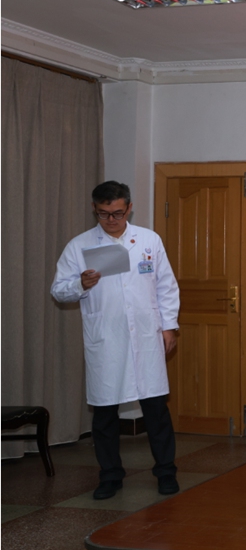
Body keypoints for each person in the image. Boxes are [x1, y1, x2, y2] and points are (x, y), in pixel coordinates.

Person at [51, 181, 181, 500]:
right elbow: (59, 290)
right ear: (95, 209)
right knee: (106, 412)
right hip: (106, 340)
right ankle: (110, 475)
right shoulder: (79, 246)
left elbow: (166, 285)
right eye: (104, 214)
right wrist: (80, 283)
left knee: (155, 410)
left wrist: (169, 327)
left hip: (147, 337)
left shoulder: (149, 240)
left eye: (117, 213)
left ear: (129, 207)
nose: (111, 219)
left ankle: (166, 471)